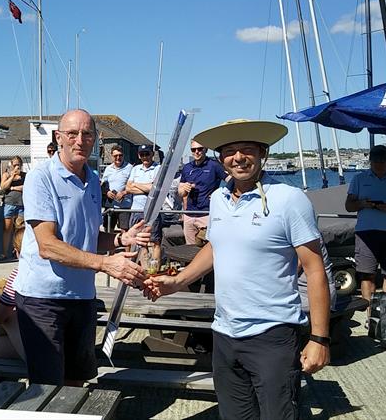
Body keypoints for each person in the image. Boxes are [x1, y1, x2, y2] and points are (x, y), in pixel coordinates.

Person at [144, 119, 331, 419]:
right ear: (221, 159)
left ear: (263, 153)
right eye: (230, 151)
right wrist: (177, 281)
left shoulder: (289, 199)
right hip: (224, 333)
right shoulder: (218, 199)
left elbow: (314, 269)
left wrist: (319, 338)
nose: (238, 157)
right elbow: (216, 247)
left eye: (247, 150)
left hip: (272, 334)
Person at [13, 109, 151, 386]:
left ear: (95, 139)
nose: (80, 140)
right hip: (43, 299)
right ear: (59, 137)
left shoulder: (93, 181)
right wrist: (105, 263)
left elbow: (86, 236)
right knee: (47, 387)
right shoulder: (41, 178)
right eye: (72, 133)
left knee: (77, 381)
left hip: (82, 296)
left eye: (87, 133)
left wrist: (119, 240)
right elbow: (49, 246)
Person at [345, 144, 386, 321]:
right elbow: (349, 205)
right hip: (365, 233)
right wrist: (363, 204)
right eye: (376, 160)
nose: (379, 164)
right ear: (370, 161)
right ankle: (371, 318)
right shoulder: (359, 179)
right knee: (366, 275)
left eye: (382, 160)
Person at [0, 216, 27, 362]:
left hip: (39, 346)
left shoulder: (20, 274)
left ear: (16, 251)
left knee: (7, 316)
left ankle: (34, 361)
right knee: (1, 344)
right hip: (66, 336)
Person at [177, 140, 225, 245]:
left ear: (206, 149)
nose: (196, 152)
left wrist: (221, 193)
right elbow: (180, 192)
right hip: (189, 214)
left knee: (209, 248)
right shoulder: (187, 167)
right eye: (193, 150)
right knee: (189, 249)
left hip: (207, 214)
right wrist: (184, 188)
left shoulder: (214, 165)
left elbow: (232, 181)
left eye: (200, 149)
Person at [126, 144, 161, 262]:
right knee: (139, 242)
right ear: (138, 155)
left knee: (155, 241)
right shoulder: (135, 169)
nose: (145, 157)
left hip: (152, 211)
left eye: (147, 154)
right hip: (136, 210)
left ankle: (154, 271)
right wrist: (146, 188)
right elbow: (128, 188)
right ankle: (142, 267)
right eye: (142, 154)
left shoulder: (158, 168)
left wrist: (136, 184)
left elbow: (155, 188)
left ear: (152, 154)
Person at [0, 156, 26, 261]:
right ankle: (4, 253)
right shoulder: (6, 174)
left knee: (19, 229)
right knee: (7, 229)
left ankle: (18, 251)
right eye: (15, 165)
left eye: (18, 164)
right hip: (9, 204)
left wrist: (13, 188)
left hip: (21, 204)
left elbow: (26, 187)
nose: (17, 167)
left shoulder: (24, 176)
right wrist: (12, 177)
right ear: (11, 165)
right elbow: (3, 187)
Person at [101, 144, 133, 232]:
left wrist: (124, 193)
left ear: (123, 156)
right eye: (115, 156)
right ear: (112, 156)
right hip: (111, 206)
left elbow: (134, 186)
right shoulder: (108, 169)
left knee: (125, 231)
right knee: (108, 230)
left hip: (125, 206)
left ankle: (126, 246)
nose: (118, 157)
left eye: (120, 155)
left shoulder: (130, 168)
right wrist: (107, 192)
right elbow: (103, 185)